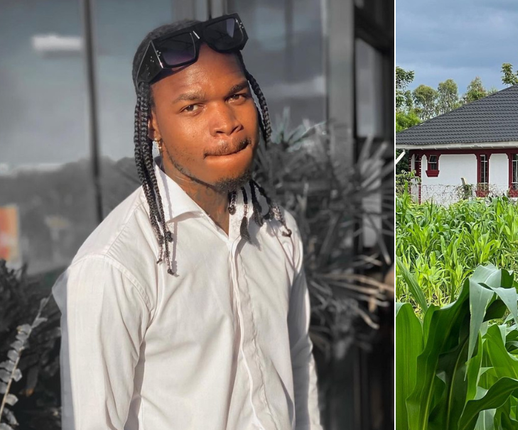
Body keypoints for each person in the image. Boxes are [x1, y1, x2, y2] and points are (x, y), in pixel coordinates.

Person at [52, 14, 322, 430]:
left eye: (236, 96)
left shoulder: (278, 229)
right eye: (192, 107)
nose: (226, 123)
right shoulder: (113, 268)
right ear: (153, 126)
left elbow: (298, 364)